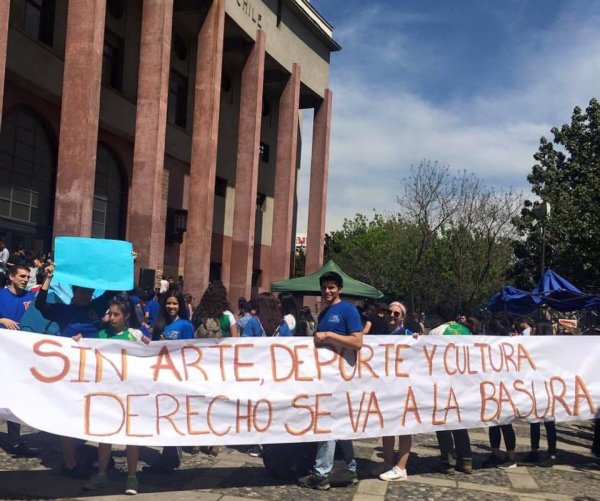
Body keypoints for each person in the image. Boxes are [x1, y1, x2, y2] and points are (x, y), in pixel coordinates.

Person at [36, 264, 116, 476]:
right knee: (69, 411)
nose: (88, 295)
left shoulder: (96, 307)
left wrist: (127, 264)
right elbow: (40, 305)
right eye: (84, 291)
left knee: (92, 411)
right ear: (74, 291)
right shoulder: (64, 310)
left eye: (90, 291)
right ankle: (70, 463)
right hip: (70, 369)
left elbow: (114, 290)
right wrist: (48, 278)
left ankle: (85, 453)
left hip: (92, 369)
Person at [298, 271, 363, 490]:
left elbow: (357, 341)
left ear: (340, 289)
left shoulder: (348, 310)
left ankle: (321, 473)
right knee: (339, 424)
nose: (327, 291)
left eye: (332, 287)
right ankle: (350, 469)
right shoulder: (325, 313)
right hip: (325, 378)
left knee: (326, 423)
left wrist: (328, 336)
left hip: (341, 378)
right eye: (325, 287)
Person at [83, 299, 149, 495]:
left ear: (126, 316)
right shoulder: (102, 335)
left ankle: (131, 477)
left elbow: (153, 352)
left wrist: (148, 342)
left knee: (131, 436)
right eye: (110, 314)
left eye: (116, 314)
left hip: (130, 394)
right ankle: (102, 475)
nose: (111, 318)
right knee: (104, 435)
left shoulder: (134, 336)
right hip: (108, 393)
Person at [370, 301, 417, 481]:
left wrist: (417, 338)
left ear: (402, 317)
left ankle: (401, 467)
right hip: (386, 387)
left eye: (396, 314)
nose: (391, 315)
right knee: (387, 425)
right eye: (389, 312)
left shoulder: (407, 334)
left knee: (404, 427)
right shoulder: (382, 334)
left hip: (404, 387)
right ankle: (388, 462)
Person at [0, 265, 41, 458]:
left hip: (19, 357)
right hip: (2, 353)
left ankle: (15, 440)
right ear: (11, 277)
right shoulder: (1, 295)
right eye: (22, 276)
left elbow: (42, 307)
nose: (25, 279)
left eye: (27, 276)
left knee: (14, 397)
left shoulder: (30, 298)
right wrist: (2, 320)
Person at [434, 316, 473, 475]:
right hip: (462, 383)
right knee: (459, 422)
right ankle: (466, 461)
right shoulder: (467, 332)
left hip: (442, 383)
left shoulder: (437, 332)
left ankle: (448, 462)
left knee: (443, 423)